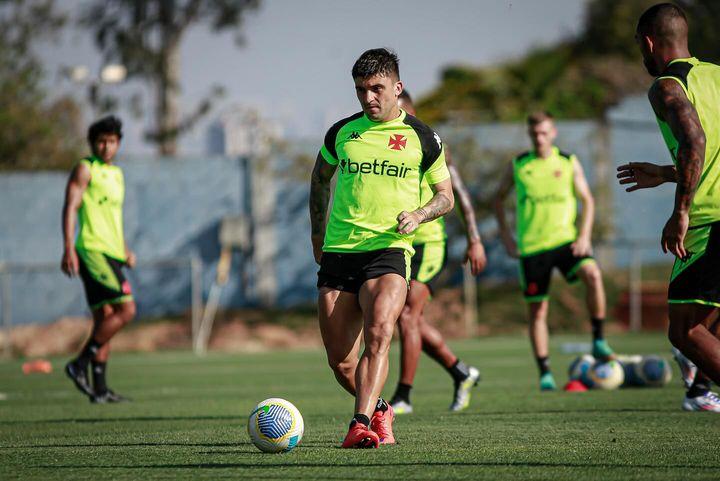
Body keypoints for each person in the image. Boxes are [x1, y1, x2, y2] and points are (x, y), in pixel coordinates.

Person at [310, 48, 454, 448]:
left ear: (397, 87)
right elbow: (320, 180)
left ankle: (359, 425)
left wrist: (420, 215)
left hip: (390, 250)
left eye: (377, 89)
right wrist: (317, 234)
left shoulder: (425, 138)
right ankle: (380, 410)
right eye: (361, 90)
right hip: (340, 251)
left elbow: (446, 197)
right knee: (340, 360)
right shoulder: (341, 133)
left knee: (378, 334)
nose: (368, 98)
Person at [617, 3, 720, 412]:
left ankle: (700, 392)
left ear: (648, 43)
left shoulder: (667, 85)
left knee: (685, 331)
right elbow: (710, 157)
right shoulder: (716, 75)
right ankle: (700, 394)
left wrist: (680, 212)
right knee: (709, 324)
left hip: (711, 220)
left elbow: (695, 143)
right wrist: (665, 172)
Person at [494, 111, 614, 391]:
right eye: (535, 133)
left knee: (593, 274)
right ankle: (545, 373)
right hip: (533, 248)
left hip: (566, 241)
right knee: (538, 311)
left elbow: (588, 199)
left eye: (544, 132)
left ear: (553, 132)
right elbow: (498, 200)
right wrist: (507, 238)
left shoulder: (568, 161)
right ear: (530, 134)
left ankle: (598, 339)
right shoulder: (519, 164)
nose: (540, 137)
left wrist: (584, 235)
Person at [388, 90, 486, 415]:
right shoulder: (386, 146)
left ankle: (403, 396)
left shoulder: (430, 143)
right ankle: (461, 372)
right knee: (407, 320)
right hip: (397, 244)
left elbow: (460, 196)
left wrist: (474, 239)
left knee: (406, 317)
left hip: (428, 244)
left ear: (411, 110)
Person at [62, 116, 136, 404]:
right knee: (127, 310)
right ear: (92, 143)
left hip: (112, 253)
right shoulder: (85, 169)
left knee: (105, 318)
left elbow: (113, 218)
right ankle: (79, 363)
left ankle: (100, 390)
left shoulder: (116, 174)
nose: (106, 147)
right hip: (92, 250)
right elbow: (71, 207)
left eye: (112, 141)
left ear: (118, 143)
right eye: (101, 141)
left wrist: (125, 249)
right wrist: (68, 246)